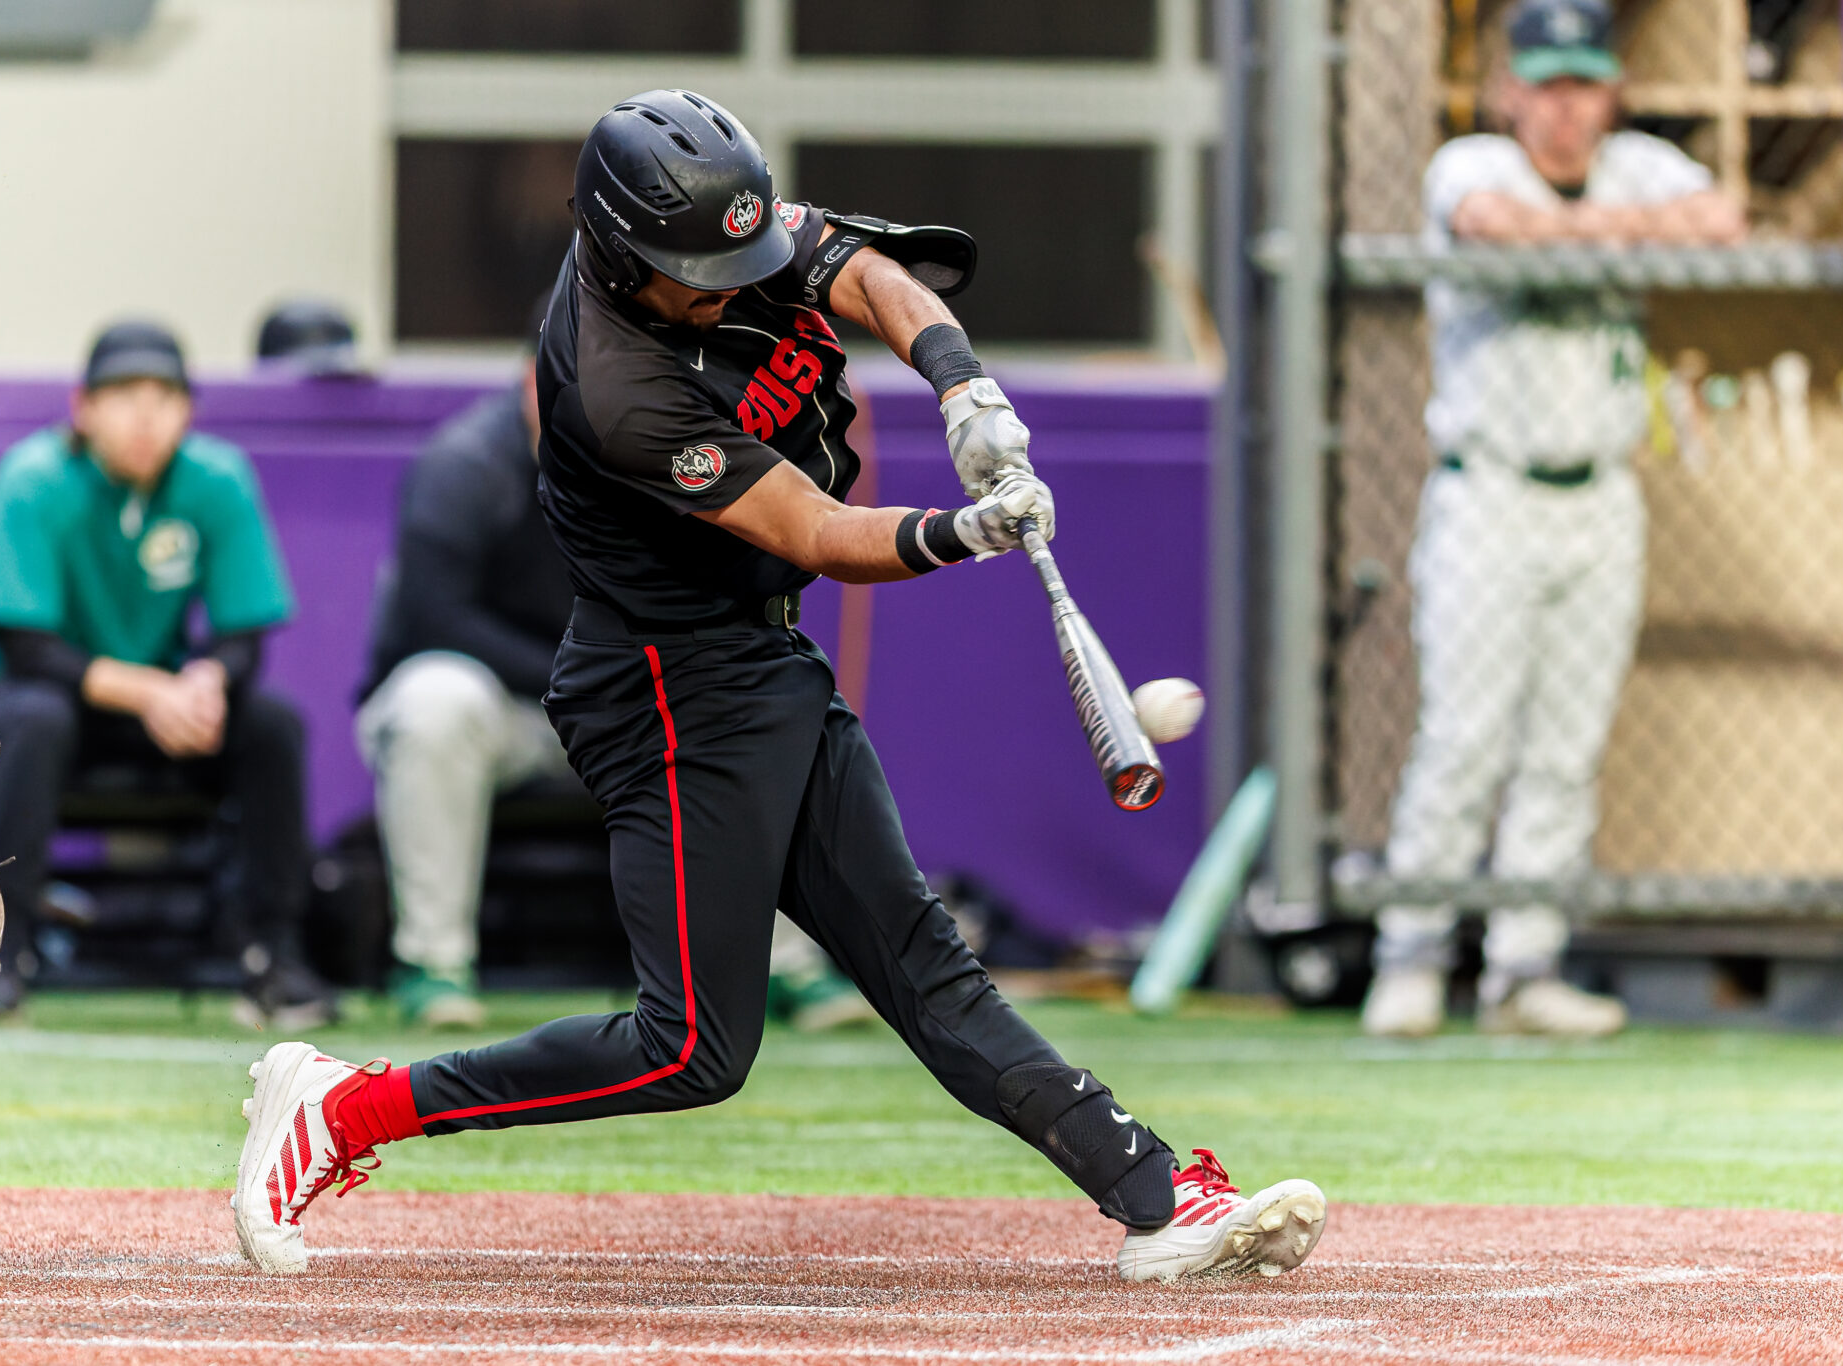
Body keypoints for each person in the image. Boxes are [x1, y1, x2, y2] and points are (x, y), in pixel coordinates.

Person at [232, 89, 1326, 1284]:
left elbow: (868, 277)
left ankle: (1158, 1198)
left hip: (756, 656)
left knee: (922, 965)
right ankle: (341, 1108)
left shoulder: (712, 227)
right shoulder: (617, 385)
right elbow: (811, 529)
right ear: (623, 256)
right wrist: (961, 529)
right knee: (688, 1048)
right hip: (663, 684)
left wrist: (962, 387)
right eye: (701, 276)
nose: (733, 286)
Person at [1362, 0, 1746, 1038]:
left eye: (1584, 85)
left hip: (1601, 495)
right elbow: (1495, 222)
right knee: (1462, 737)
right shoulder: (1472, 161)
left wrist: (1581, 235)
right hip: (1488, 490)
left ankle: (1521, 971)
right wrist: (1624, 241)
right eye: (1546, 86)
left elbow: (1721, 221)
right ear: (1508, 92)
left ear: (1611, 93)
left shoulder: (1635, 165)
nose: (1565, 109)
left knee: (1566, 749)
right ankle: (1410, 957)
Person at [0, 320, 337, 1028]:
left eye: (165, 397)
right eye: (125, 395)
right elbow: (27, 647)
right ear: (83, 408)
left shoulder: (218, 479)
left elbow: (243, 636)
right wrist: (155, 691)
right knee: (35, 720)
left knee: (270, 723)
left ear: (188, 411)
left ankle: (273, 956)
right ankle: (0, 956)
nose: (145, 416)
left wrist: (205, 682)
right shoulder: (33, 479)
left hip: (155, 712)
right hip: (36, 702)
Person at [354, 369, 578, 1028]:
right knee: (438, 700)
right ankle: (433, 963)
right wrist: (578, 677)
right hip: (499, 709)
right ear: (533, 381)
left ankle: (779, 965)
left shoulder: (664, 455)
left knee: (737, 692)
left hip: (612, 708)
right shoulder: (464, 464)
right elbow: (435, 618)